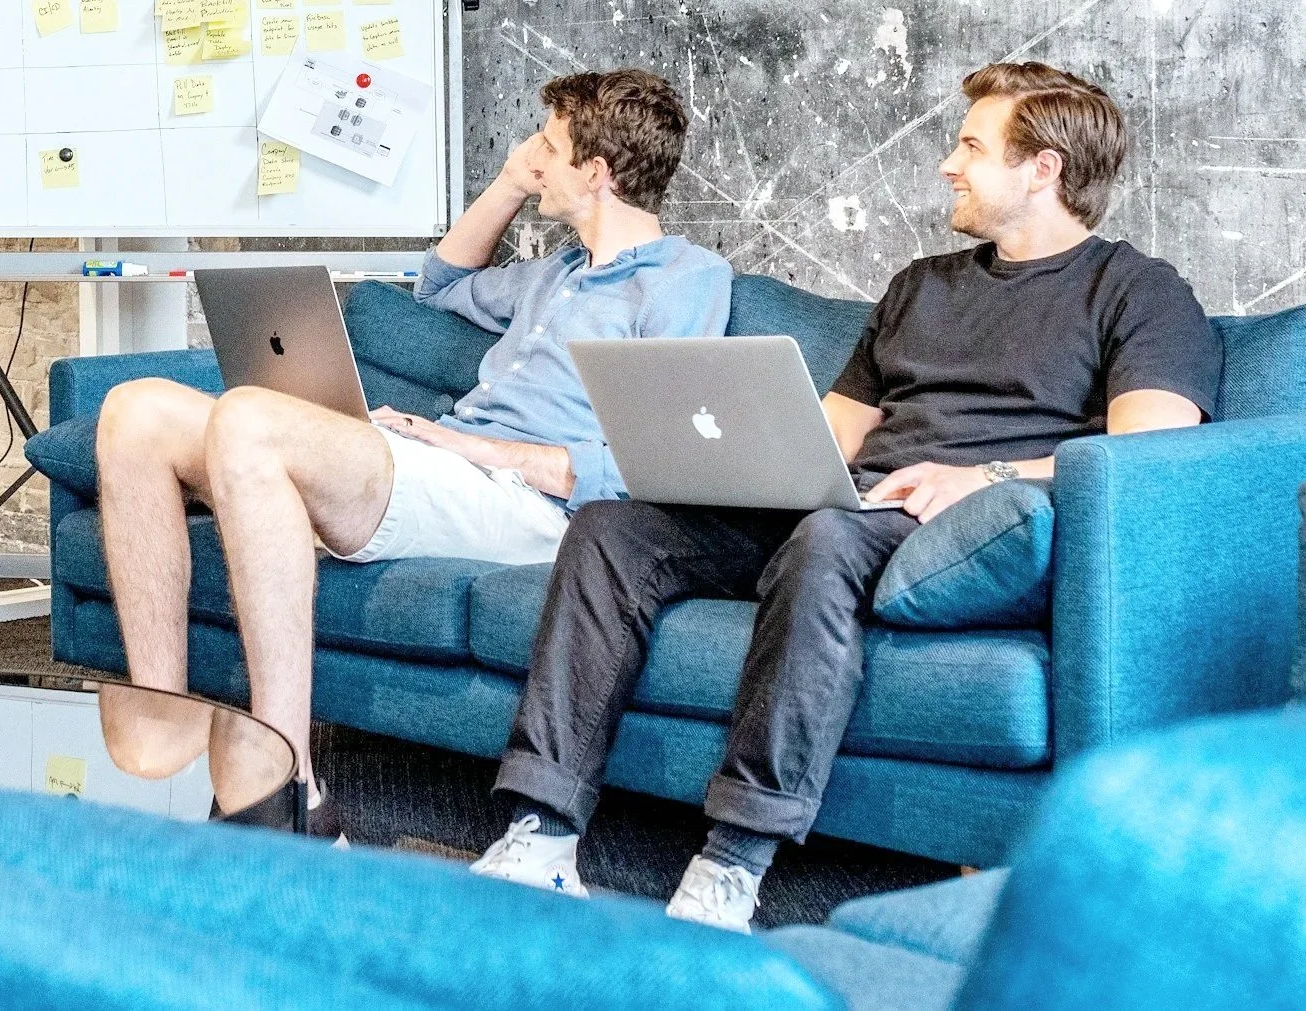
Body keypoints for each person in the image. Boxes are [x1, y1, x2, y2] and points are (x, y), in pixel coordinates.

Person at [475, 61, 1220, 929]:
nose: (948, 162)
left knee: (826, 536)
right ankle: (543, 831)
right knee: (612, 528)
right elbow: (829, 435)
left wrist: (982, 475)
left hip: (966, 524)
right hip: (851, 507)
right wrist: (731, 465)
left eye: (972, 145)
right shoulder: (921, 285)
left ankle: (733, 860)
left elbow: (1149, 450)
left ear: (1043, 167)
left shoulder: (1138, 289)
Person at [95, 68, 732, 828]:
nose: (532, 153)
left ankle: (290, 778)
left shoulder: (685, 281)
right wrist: (506, 183)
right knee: (134, 411)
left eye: (549, 146)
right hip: (445, 471)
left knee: (249, 421)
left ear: (596, 173)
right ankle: (164, 706)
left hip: (528, 506)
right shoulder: (554, 275)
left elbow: (648, 464)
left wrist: (473, 447)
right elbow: (439, 283)